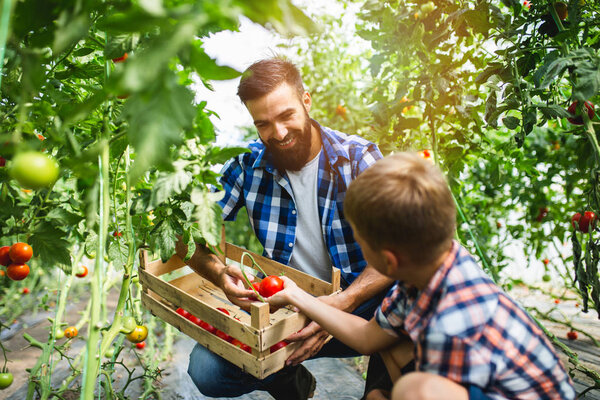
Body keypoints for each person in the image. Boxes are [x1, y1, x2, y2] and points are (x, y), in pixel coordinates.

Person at [266, 153, 576, 400]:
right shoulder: (430, 270)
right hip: (488, 381)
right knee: (391, 344)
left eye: (360, 242)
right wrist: (298, 295)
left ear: (388, 260)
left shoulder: (450, 324)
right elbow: (368, 337)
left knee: (414, 390)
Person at [177, 57, 395, 399]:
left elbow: (400, 248)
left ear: (306, 101)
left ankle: (379, 392)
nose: (277, 133)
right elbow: (190, 234)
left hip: (360, 307)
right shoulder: (246, 166)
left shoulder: (357, 160)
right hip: (287, 310)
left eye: (286, 116)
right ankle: (292, 386)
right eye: (263, 123)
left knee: (417, 301)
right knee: (208, 370)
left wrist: (343, 303)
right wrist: (219, 274)